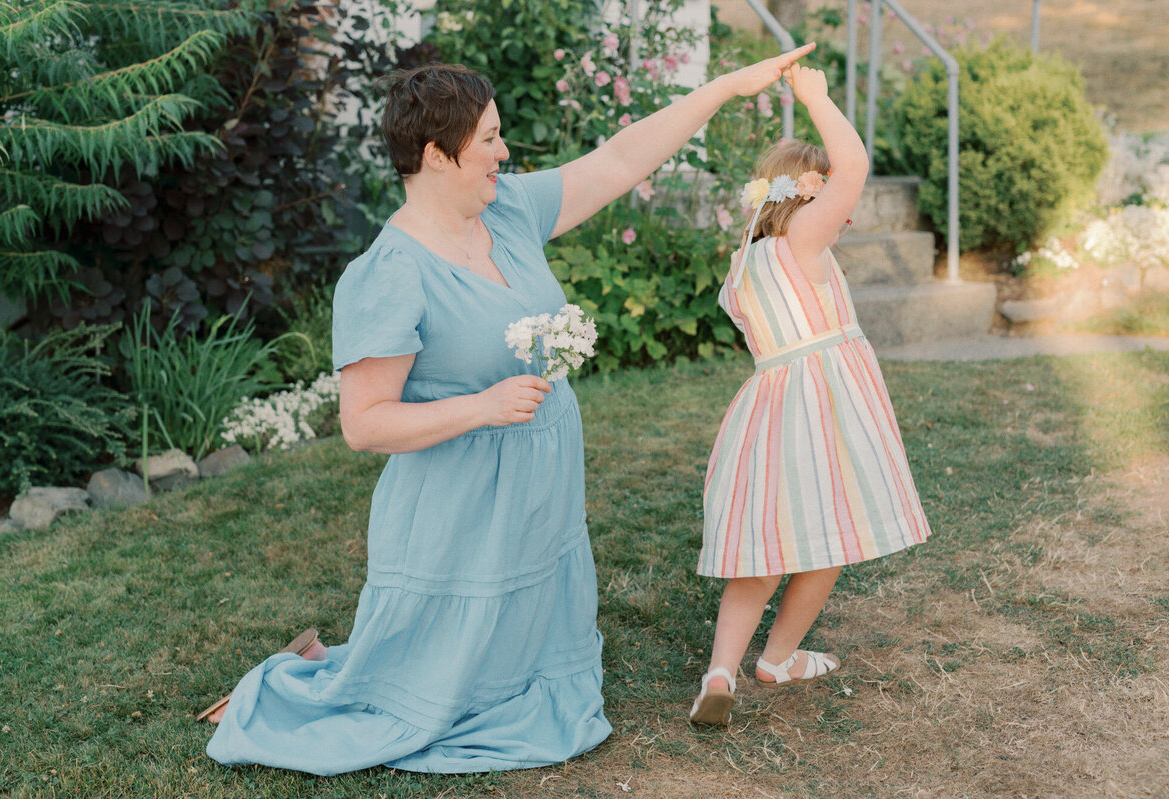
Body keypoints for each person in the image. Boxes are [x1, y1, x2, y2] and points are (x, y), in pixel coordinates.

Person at [202, 48, 816, 774]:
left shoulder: (512, 208)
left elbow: (620, 160)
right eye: (488, 138)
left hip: (539, 488)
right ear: (436, 154)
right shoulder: (388, 273)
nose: (503, 150)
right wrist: (482, 405)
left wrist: (724, 88)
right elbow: (364, 423)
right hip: (458, 507)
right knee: (426, 689)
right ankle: (327, 681)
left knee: (524, 661)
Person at [689, 63, 932, 727]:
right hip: (824, 407)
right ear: (806, 195)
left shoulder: (744, 265)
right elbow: (853, 165)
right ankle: (780, 657)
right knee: (831, 537)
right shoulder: (805, 238)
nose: (843, 207)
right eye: (828, 194)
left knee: (764, 548)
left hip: (767, 409)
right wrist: (817, 99)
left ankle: (721, 668)